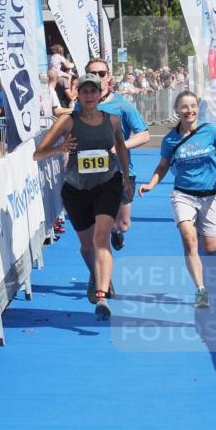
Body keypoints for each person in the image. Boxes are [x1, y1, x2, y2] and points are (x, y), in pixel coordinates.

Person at [32, 73, 132, 320]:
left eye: (93, 91)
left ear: (100, 94)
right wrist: (60, 148)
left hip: (107, 184)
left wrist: (126, 175)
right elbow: (38, 154)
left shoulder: (113, 120)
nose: (89, 95)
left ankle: (101, 295)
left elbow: (120, 146)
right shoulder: (68, 121)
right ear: (78, 94)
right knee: (87, 245)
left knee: (101, 239)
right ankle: (97, 276)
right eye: (84, 91)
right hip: (76, 189)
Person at [139, 91, 216, 308]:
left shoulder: (210, 131)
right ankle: (200, 290)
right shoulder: (170, 140)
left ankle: (198, 244)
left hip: (210, 195)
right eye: (184, 106)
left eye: (193, 105)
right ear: (177, 111)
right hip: (183, 194)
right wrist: (151, 184)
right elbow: (163, 166)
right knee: (189, 239)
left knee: (210, 247)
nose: (189, 110)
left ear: (197, 109)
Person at [84, 57, 149, 251]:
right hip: (90, 174)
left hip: (120, 173)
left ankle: (115, 231)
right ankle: (98, 276)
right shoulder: (80, 105)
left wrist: (120, 146)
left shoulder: (122, 105)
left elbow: (144, 135)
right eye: (92, 74)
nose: (97, 77)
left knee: (122, 224)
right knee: (96, 230)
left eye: (101, 73)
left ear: (108, 77)